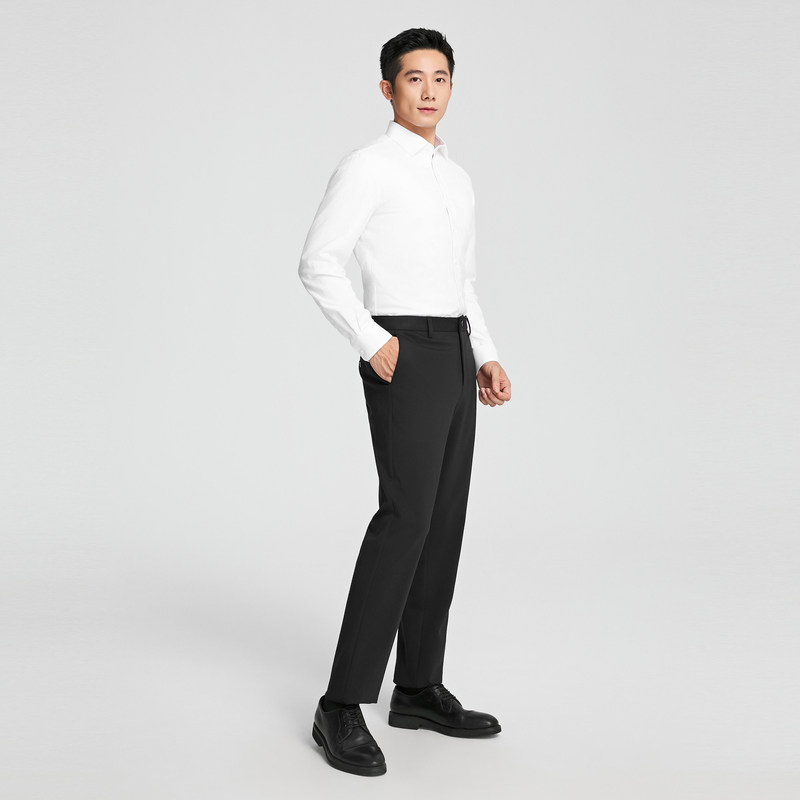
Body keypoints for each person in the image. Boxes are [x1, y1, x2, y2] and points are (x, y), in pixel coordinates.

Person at [298, 27, 512, 777]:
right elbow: (318, 261)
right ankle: (339, 704)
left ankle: (418, 686)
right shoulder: (368, 167)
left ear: (452, 87)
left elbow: (464, 281)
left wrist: (484, 353)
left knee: (443, 522)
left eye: (440, 77)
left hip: (453, 345)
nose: (428, 90)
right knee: (405, 519)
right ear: (387, 88)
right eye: (414, 77)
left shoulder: (458, 179)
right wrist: (370, 338)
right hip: (402, 348)